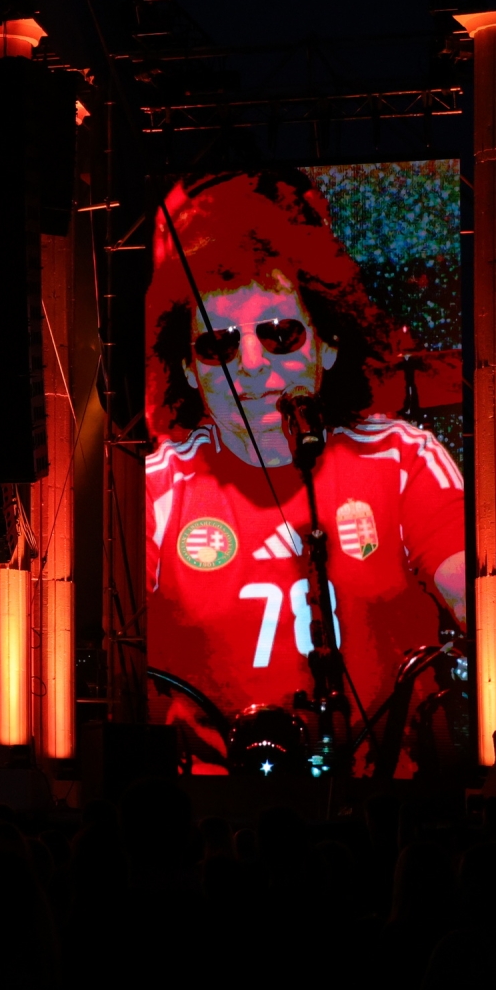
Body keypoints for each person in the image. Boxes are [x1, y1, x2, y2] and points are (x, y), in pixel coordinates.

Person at [143, 172, 466, 761]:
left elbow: (480, 597)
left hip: (380, 797)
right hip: (210, 801)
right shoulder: (157, 488)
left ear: (327, 342)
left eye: (279, 334)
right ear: (188, 368)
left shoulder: (402, 461)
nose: (250, 364)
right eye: (218, 345)